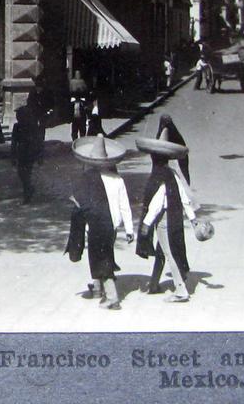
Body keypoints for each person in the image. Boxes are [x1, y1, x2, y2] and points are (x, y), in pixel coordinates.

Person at [64, 135, 134, 310]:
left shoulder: (86, 179)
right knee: (102, 253)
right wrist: (130, 229)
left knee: (101, 258)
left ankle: (112, 297)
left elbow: (78, 204)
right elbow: (125, 206)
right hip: (113, 226)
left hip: (95, 225)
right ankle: (97, 287)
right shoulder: (117, 179)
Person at [135, 126, 199, 302]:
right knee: (162, 250)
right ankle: (154, 283)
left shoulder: (157, 176)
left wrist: (147, 224)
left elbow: (156, 203)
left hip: (163, 220)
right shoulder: (172, 174)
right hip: (176, 218)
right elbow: (185, 198)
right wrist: (193, 220)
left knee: (169, 252)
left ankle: (181, 290)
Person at [10, 96, 45, 204]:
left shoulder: (28, 126)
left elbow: (14, 143)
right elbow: (14, 142)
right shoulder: (23, 126)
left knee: (24, 174)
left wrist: (40, 155)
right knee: (24, 174)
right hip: (27, 152)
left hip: (26, 152)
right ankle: (28, 189)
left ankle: (27, 193)